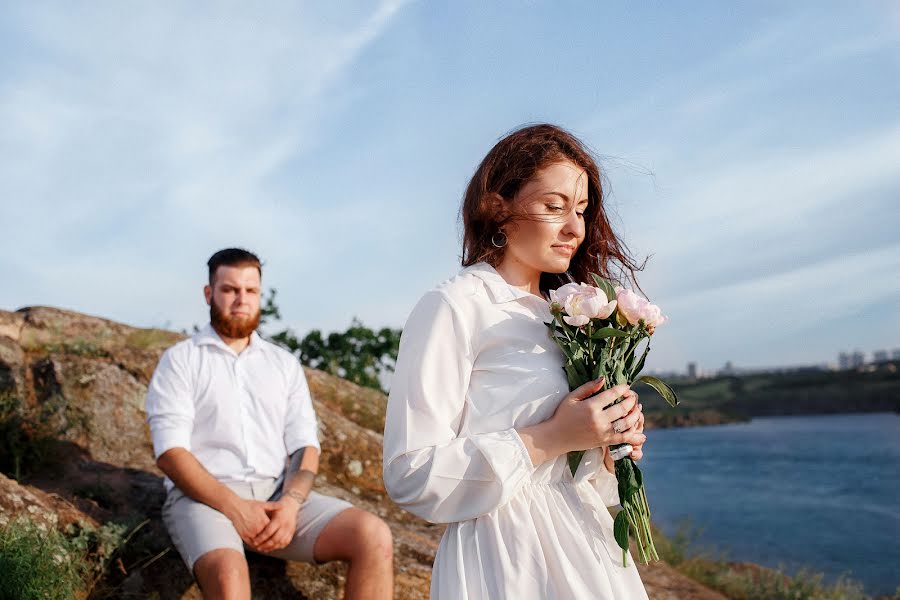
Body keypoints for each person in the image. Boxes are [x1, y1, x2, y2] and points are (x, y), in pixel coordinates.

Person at [383, 125, 650, 599]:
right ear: (498, 207)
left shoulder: (570, 314)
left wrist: (607, 444)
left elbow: (582, 480)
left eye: (582, 211)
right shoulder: (457, 305)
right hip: (504, 556)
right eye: (554, 207)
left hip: (589, 549)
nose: (574, 227)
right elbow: (410, 474)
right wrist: (550, 437)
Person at [146, 248, 393, 600]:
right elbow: (170, 453)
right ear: (208, 293)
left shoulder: (283, 364)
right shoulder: (181, 361)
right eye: (229, 290)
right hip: (204, 501)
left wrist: (291, 505)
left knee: (373, 535)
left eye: (250, 291)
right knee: (230, 577)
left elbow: (305, 446)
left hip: (277, 497)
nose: (240, 300)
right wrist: (236, 508)